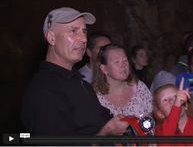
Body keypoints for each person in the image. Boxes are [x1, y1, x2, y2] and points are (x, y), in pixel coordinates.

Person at [21, 7, 129, 137]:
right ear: (51, 38)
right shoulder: (45, 89)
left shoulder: (81, 84)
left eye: (84, 31)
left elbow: (104, 121)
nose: (83, 39)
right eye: (73, 31)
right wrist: (104, 133)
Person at [93, 44, 153, 118]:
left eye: (125, 60)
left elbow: (153, 120)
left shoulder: (140, 88)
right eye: (117, 62)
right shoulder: (94, 96)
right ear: (104, 69)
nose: (123, 65)